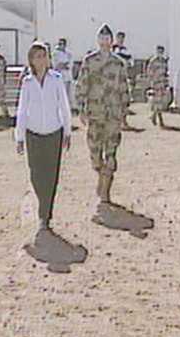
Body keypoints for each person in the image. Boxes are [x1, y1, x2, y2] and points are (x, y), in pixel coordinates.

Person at [15, 41, 72, 235]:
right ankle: (42, 204)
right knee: (36, 175)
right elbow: (22, 110)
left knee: (51, 176)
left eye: (43, 56)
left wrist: (67, 131)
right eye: (37, 56)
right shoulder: (27, 82)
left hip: (54, 133)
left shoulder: (56, 79)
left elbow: (64, 106)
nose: (41, 60)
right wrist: (19, 136)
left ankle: (45, 216)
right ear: (31, 60)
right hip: (33, 134)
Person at [76, 23, 130, 207]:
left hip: (113, 114)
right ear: (98, 40)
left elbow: (123, 87)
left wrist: (124, 112)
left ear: (112, 40)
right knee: (94, 150)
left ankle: (106, 189)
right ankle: (100, 175)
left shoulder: (118, 63)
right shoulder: (90, 61)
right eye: (102, 37)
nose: (105, 40)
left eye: (107, 38)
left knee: (111, 151)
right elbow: (82, 84)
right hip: (95, 112)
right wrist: (81, 108)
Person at [146, 45, 169, 127]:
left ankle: (154, 116)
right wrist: (151, 81)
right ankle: (159, 119)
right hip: (156, 83)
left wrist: (166, 82)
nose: (160, 53)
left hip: (162, 83)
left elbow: (166, 72)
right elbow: (149, 72)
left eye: (161, 51)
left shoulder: (164, 61)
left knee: (161, 101)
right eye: (159, 51)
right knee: (156, 101)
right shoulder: (153, 61)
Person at [51, 38, 75, 112]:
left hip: (68, 76)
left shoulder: (69, 53)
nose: (60, 45)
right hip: (59, 76)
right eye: (59, 44)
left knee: (68, 94)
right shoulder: (55, 53)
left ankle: (68, 109)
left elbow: (70, 65)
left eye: (62, 44)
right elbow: (56, 65)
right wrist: (63, 65)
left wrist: (63, 65)